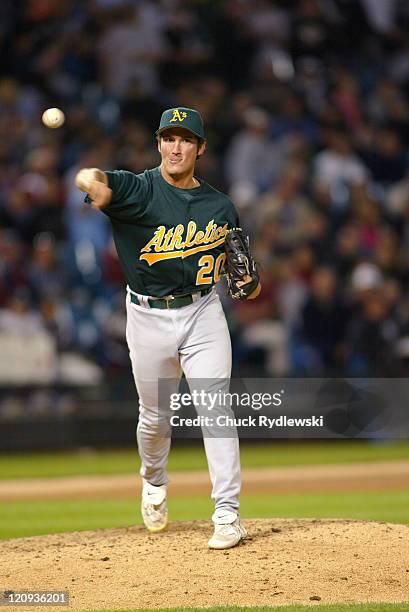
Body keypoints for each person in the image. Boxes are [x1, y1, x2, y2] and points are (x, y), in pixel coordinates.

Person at [75, 107, 260, 549]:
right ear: (158, 143)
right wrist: (90, 182)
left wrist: (250, 284)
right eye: (167, 138)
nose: (175, 147)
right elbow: (95, 181)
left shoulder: (221, 206)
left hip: (203, 314)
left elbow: (246, 288)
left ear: (200, 148)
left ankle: (227, 513)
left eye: (185, 139)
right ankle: (154, 481)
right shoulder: (139, 189)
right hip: (147, 317)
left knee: (216, 409)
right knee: (155, 418)